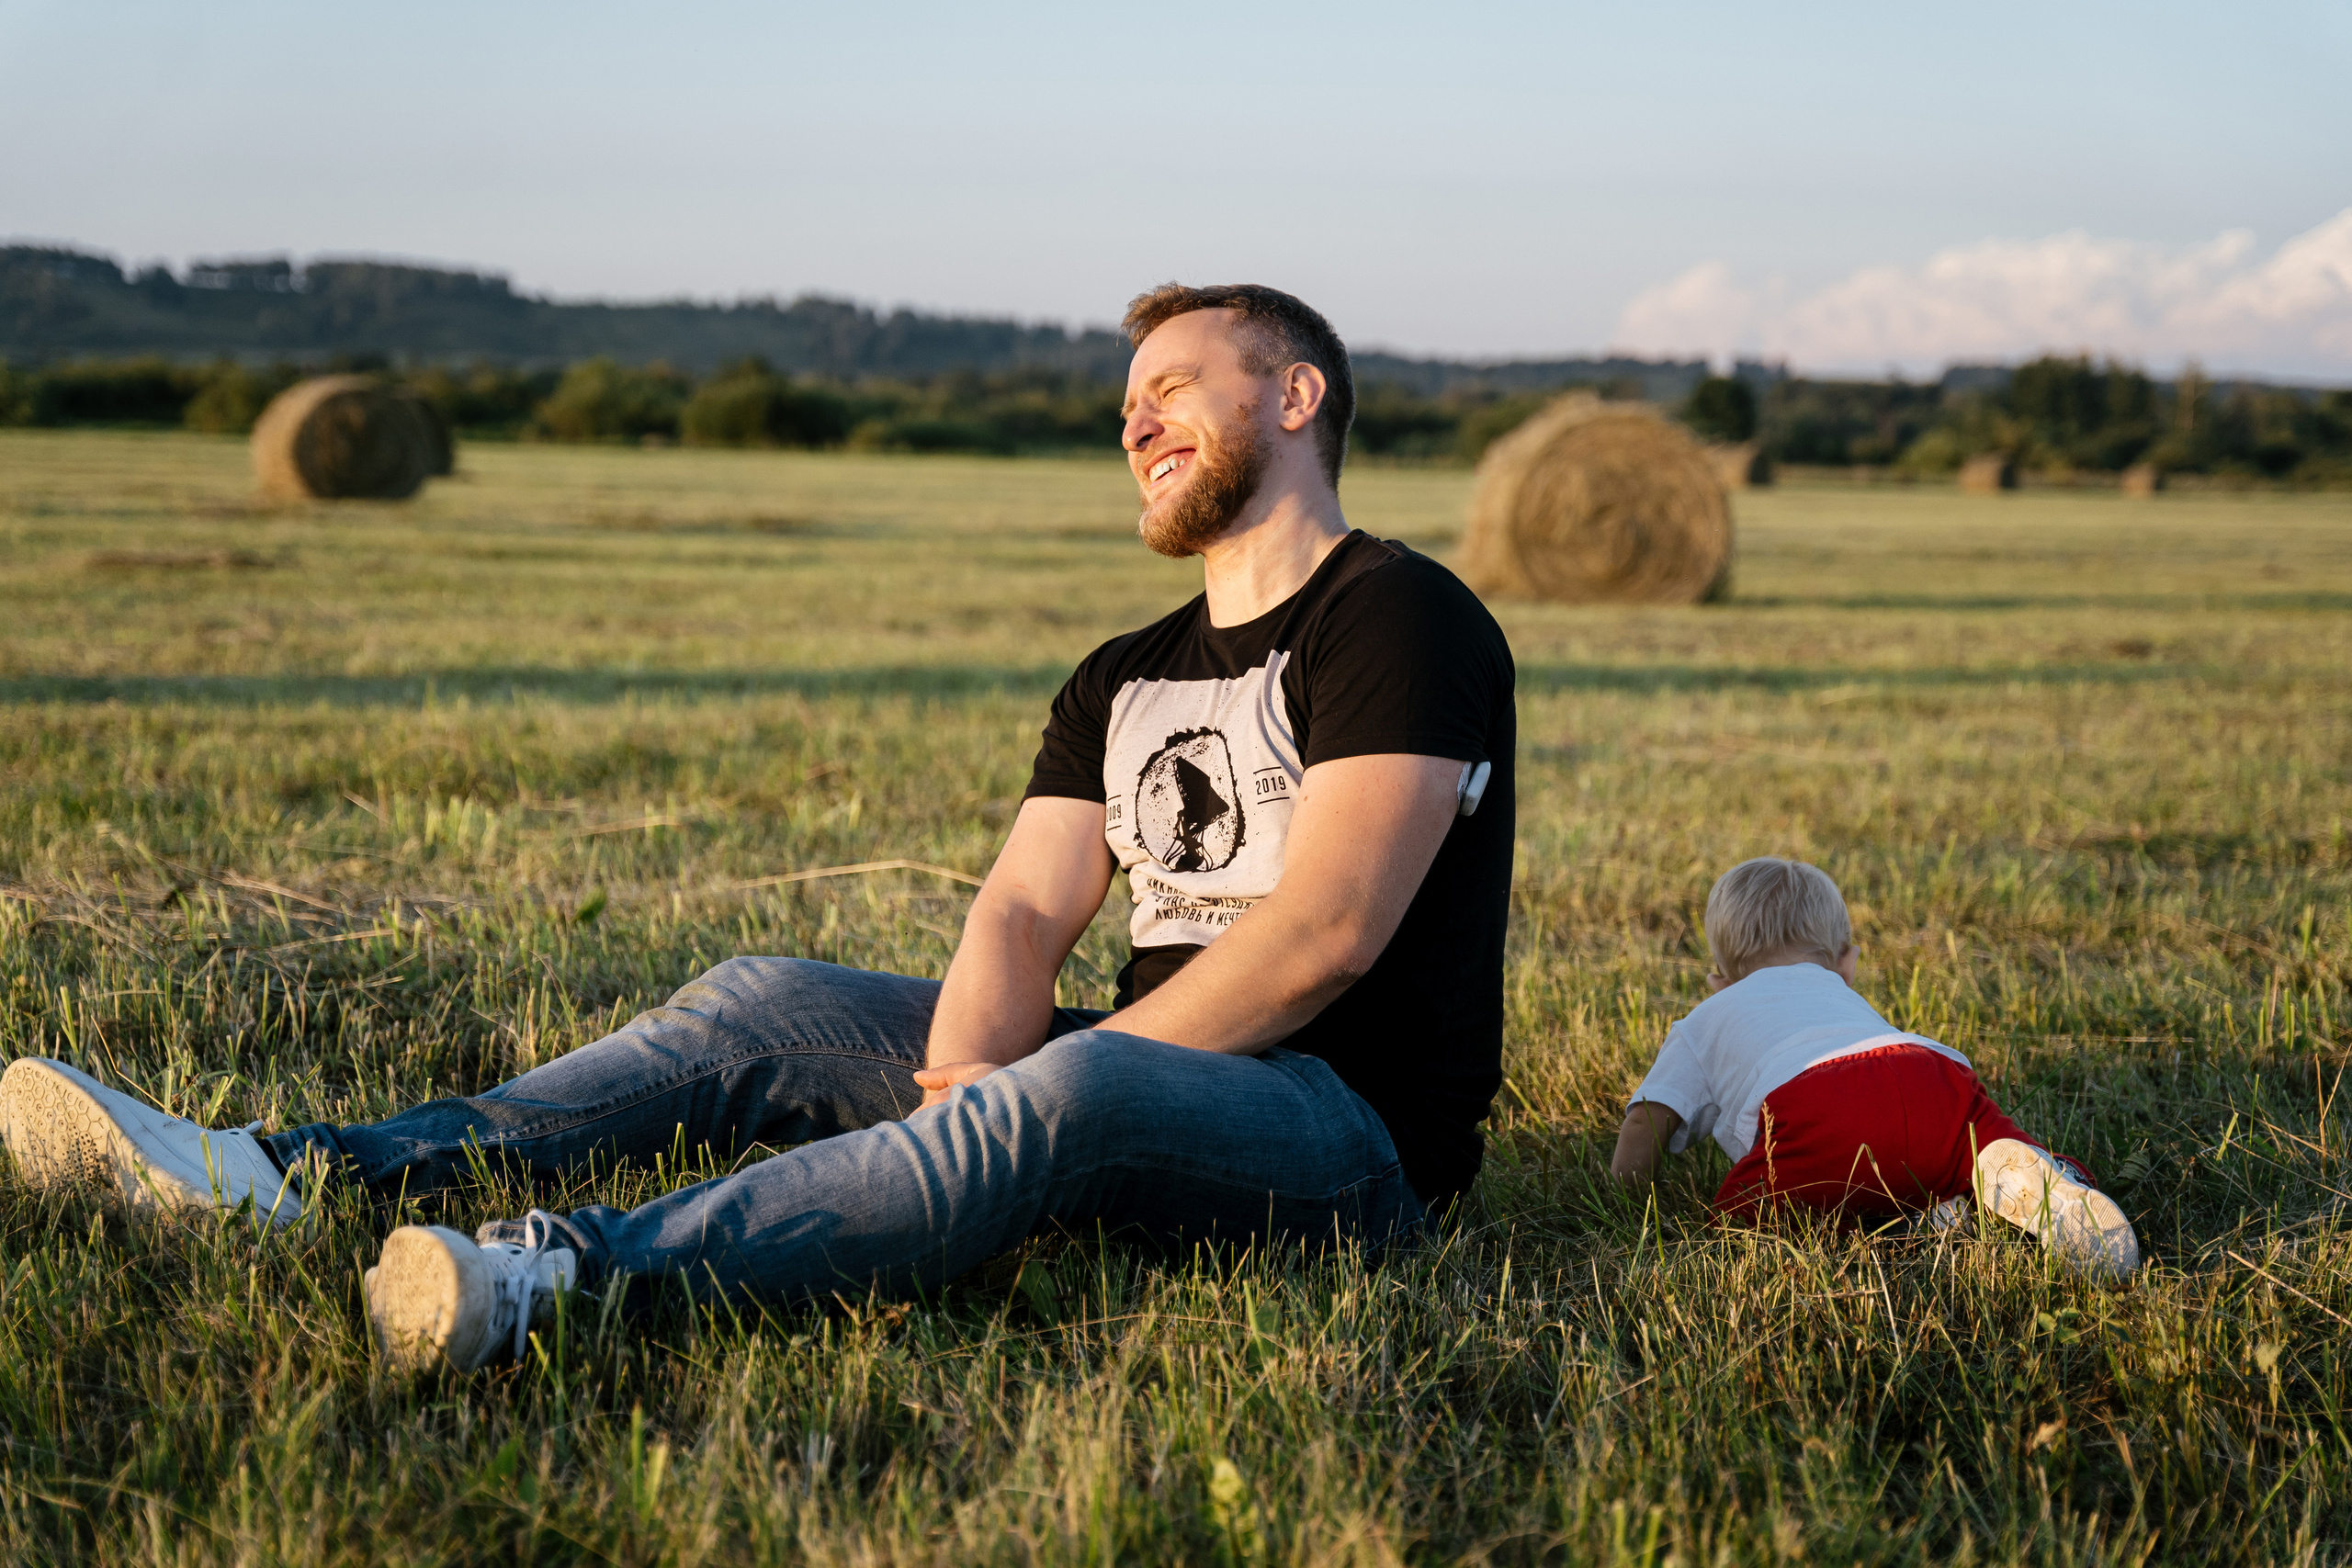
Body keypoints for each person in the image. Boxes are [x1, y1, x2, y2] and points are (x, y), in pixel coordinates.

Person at [0, 283, 1519, 1371]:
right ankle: (280, 1173)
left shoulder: (1399, 613)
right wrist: (962, 1083)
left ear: (1294, 397)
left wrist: (1043, 1086)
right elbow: (1019, 909)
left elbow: (1324, 934)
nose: (1135, 420)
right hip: (1138, 1070)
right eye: (1128, 402)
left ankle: (559, 1283)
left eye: (1174, 386)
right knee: (760, 997)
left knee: (1082, 1085)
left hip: (1347, 1132)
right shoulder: (1125, 670)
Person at [1609, 856, 2140, 1278]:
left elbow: (1647, 1118)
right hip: (1928, 1069)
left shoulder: (1707, 1017)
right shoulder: (1836, 990)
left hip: (1813, 1103)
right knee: (1963, 1148)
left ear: (1719, 982)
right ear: (1846, 964)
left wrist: (1627, 1201)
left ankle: (1901, 1227)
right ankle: (2030, 1182)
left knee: (1740, 1228)